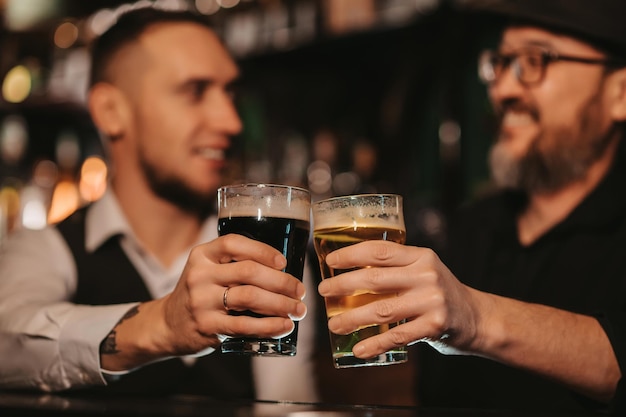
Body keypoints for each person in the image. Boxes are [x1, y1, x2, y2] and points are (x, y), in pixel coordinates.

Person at [316, 0, 626, 413]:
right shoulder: (470, 230)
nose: (502, 89)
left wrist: (476, 319)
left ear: (620, 93)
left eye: (535, 60)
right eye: (500, 62)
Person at [0, 6, 318, 402]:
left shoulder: (268, 253)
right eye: (195, 91)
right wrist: (163, 323)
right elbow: (7, 343)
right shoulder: (44, 248)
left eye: (230, 93)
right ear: (112, 112)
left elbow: (283, 406)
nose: (231, 122)